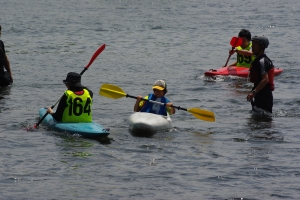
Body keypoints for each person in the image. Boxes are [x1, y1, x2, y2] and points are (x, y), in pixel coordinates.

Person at [246, 36, 274, 113]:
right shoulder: (257, 60)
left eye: (255, 44)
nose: (252, 46)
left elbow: (265, 79)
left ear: (262, 46)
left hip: (264, 97)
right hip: (259, 95)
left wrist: (253, 92)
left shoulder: (262, 61)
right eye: (252, 44)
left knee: (264, 121)